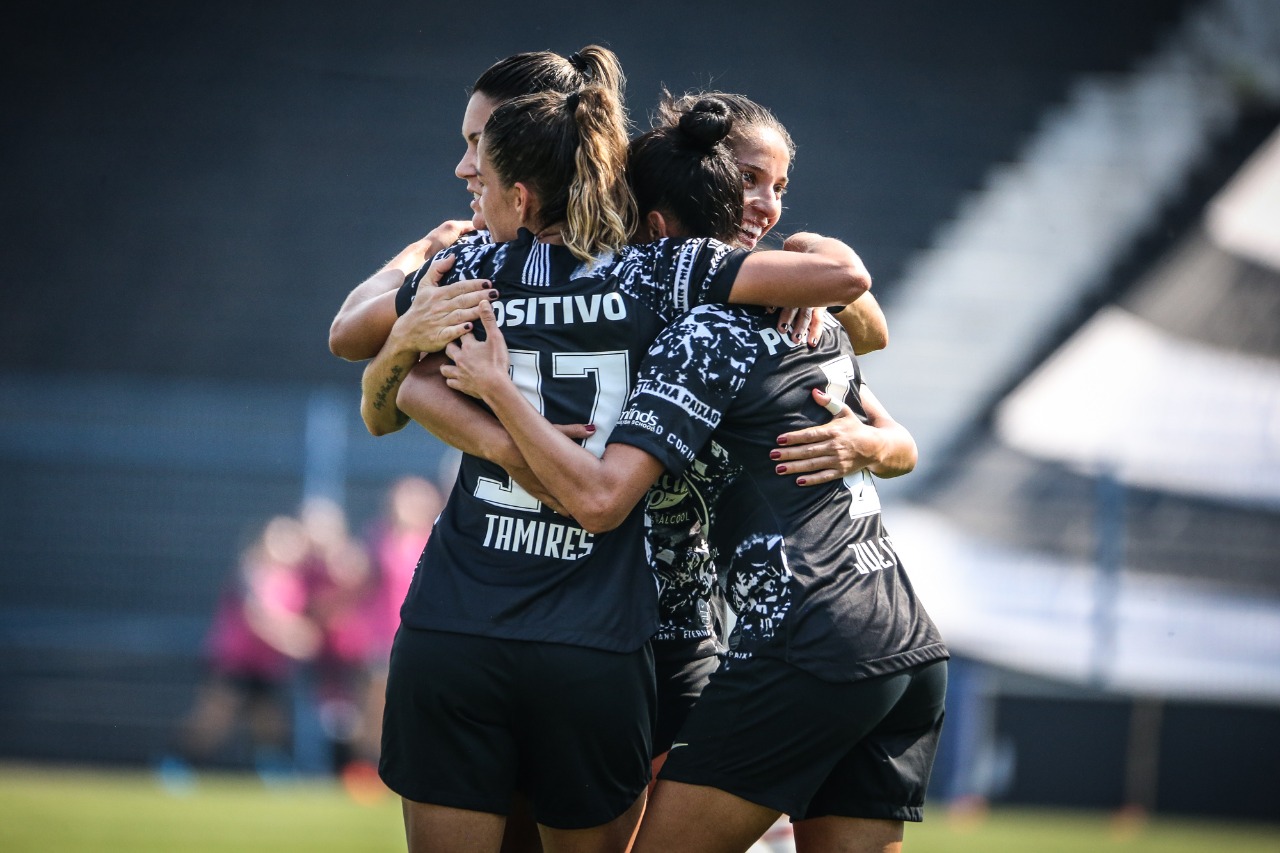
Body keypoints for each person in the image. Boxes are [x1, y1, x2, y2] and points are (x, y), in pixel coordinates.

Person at [365, 72, 870, 852]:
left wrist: (421, 359)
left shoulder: (481, 272)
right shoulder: (666, 274)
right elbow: (853, 297)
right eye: (748, 183)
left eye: (480, 160)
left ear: (523, 191)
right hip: (605, 627)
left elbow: (371, 375)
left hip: (526, 618)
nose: (467, 177)